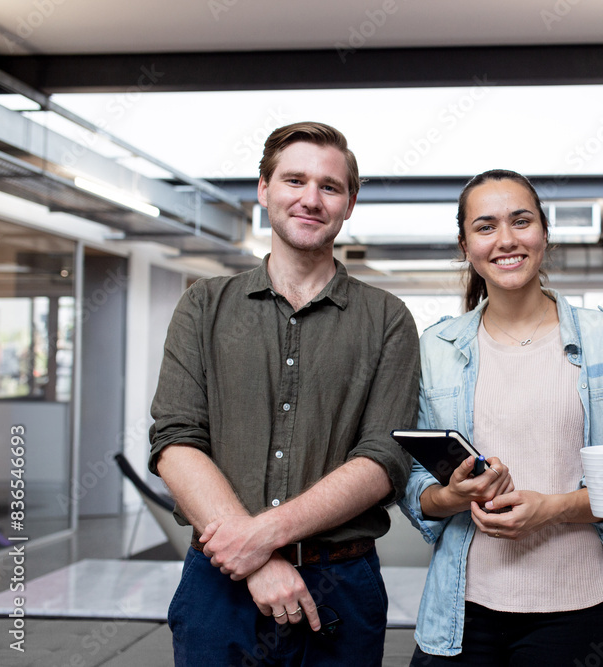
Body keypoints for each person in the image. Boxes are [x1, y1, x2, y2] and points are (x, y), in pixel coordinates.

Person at [148, 122, 420, 666]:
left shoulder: (387, 318)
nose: (311, 199)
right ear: (264, 190)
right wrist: (255, 559)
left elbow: (383, 459)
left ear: (350, 203)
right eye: (294, 180)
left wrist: (260, 537)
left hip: (340, 586)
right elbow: (176, 441)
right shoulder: (203, 306)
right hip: (219, 589)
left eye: (330, 186)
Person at [399, 169, 603, 665]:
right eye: (486, 226)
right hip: (462, 609)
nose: (507, 240)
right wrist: (450, 495)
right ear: (465, 244)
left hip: (576, 608)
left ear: (544, 234)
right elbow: (412, 483)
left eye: (521, 221)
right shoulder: (437, 348)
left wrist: (553, 509)